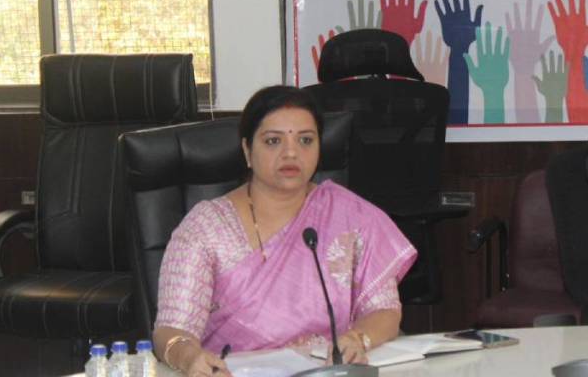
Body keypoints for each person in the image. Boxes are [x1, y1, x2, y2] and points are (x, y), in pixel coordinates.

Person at [153, 85, 417, 376]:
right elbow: (172, 329)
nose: (291, 153)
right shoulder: (206, 227)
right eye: (273, 141)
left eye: (305, 140)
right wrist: (188, 357)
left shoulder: (352, 217)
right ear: (247, 150)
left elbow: (385, 310)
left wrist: (357, 339)